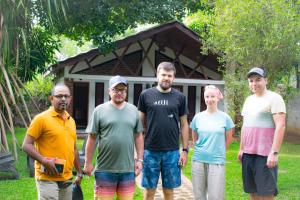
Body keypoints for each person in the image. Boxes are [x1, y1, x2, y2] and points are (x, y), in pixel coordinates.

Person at [84, 75, 144, 200]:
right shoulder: (99, 110)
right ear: (109, 91)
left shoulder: (133, 110)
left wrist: (139, 160)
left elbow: (138, 136)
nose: (119, 93)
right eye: (115, 90)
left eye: (122, 90)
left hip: (127, 169)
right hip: (105, 169)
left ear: (126, 92)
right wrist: (88, 163)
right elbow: (92, 138)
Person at [22, 83, 83, 200]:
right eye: (59, 96)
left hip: (66, 177)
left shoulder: (71, 121)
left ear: (70, 99)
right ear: (51, 98)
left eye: (66, 96)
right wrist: (43, 161)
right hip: (46, 176)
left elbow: (74, 148)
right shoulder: (41, 119)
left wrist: (79, 172)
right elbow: (26, 145)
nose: (63, 99)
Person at [138, 62, 189, 200]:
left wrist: (184, 151)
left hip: (172, 152)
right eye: (163, 75)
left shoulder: (180, 97)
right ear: (157, 75)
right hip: (150, 151)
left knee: (169, 191)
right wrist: (138, 152)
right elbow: (138, 125)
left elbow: (184, 125)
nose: (166, 78)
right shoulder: (146, 95)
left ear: (173, 78)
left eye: (169, 75)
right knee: (149, 191)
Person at [238, 67, 286, 200]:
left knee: (266, 194)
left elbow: (280, 126)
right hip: (248, 154)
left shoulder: (275, 98)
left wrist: (274, 152)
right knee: (252, 193)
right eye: (251, 81)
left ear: (266, 80)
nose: (254, 83)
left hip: (265, 154)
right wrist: (242, 148)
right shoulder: (248, 100)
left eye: (258, 80)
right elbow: (245, 125)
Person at [190, 85, 235, 200]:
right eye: (207, 96)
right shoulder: (198, 117)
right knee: (199, 195)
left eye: (212, 96)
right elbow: (194, 136)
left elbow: (229, 139)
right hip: (198, 161)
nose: (209, 99)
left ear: (218, 98)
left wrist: (219, 151)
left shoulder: (225, 118)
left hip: (216, 161)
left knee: (216, 196)